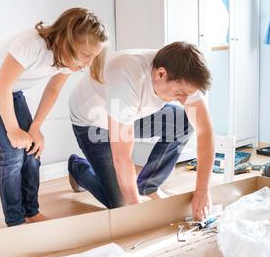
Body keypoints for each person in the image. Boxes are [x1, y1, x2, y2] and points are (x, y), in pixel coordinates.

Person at [0, 8, 108, 227]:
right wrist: (13, 129)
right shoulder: (31, 44)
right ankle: (15, 221)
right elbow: (1, 85)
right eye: (86, 56)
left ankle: (31, 211)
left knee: (33, 148)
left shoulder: (68, 60)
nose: (88, 63)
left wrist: (35, 128)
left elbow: (52, 91)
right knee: (12, 152)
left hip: (10, 89)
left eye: (93, 57)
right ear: (66, 41)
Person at [68, 42, 215, 220]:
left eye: (187, 95)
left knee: (184, 122)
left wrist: (202, 190)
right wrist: (137, 211)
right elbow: (122, 155)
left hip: (129, 115)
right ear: (161, 73)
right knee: (121, 204)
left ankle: (148, 185)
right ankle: (78, 167)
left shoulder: (185, 78)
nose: (183, 100)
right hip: (92, 122)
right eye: (179, 93)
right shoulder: (126, 77)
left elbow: (205, 131)